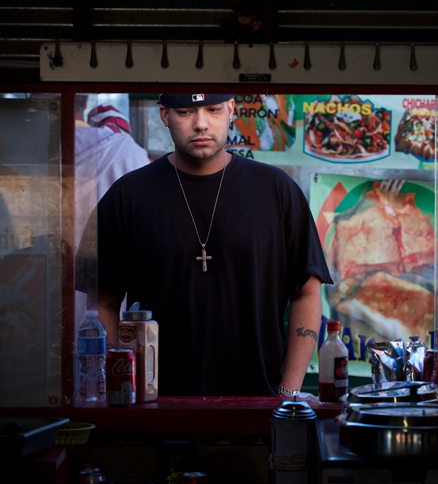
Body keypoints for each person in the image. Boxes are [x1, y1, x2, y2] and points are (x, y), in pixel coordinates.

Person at [76, 94, 333, 397]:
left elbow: (307, 291)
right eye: (185, 112)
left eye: (213, 110)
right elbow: (102, 302)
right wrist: (123, 387)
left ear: (231, 110)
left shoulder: (277, 190)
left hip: (259, 403)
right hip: (156, 404)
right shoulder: (126, 196)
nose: (201, 123)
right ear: (164, 115)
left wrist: (287, 394)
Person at [74, 95, 151, 327]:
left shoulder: (27, 146)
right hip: (111, 299)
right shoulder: (128, 153)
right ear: (85, 101)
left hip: (35, 295)